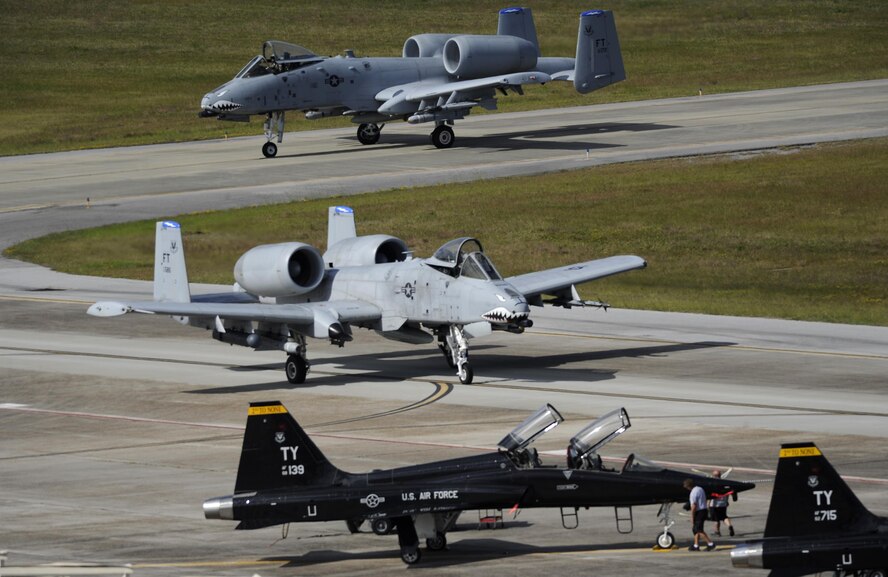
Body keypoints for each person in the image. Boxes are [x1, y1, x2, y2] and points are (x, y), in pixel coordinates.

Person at [683, 478, 716, 551]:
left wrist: (692, 516)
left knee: (699, 530)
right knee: (695, 529)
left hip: (699, 512)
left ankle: (710, 544)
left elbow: (694, 506)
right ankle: (696, 545)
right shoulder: (700, 489)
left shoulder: (693, 493)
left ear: (688, 486)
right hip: (704, 510)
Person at [709, 470, 736, 537]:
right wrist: (726, 501)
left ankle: (717, 531)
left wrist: (707, 505)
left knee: (716, 519)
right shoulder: (725, 483)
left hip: (714, 504)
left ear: (714, 476)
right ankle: (729, 526)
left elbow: (710, 495)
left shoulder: (712, 483)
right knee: (724, 517)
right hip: (723, 504)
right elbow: (728, 494)